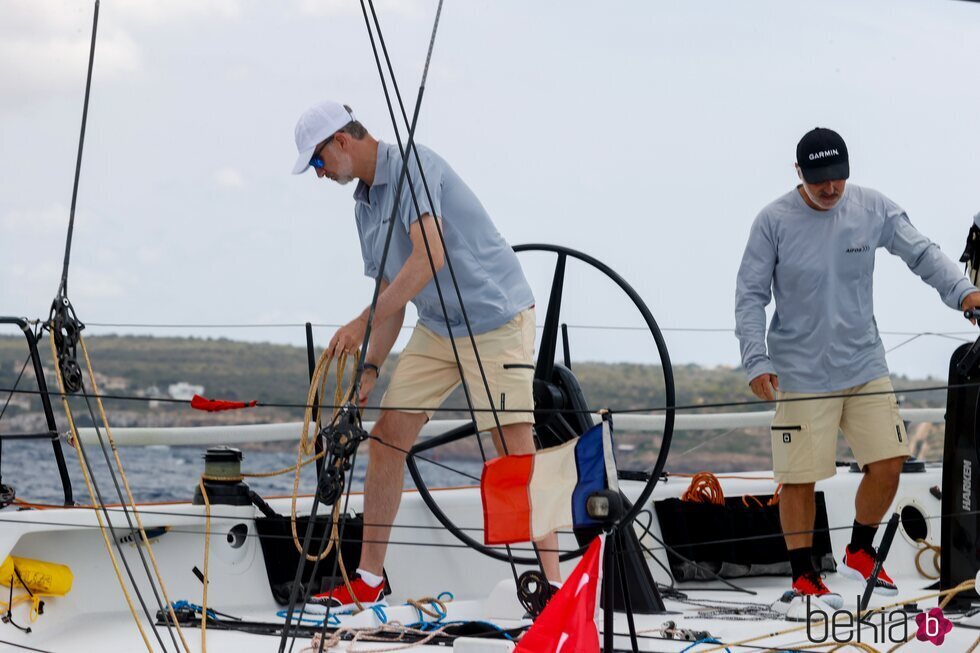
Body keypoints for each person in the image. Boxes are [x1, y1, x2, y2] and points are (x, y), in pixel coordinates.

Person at [291, 100, 559, 610]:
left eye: (319, 162)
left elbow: (430, 255)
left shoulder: (414, 164)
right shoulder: (363, 205)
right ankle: (369, 580)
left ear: (342, 142)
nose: (319, 175)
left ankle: (554, 585)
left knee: (514, 449)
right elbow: (391, 292)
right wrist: (370, 366)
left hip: (496, 320)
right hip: (438, 328)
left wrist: (358, 323)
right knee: (387, 438)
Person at [735, 127, 980, 613]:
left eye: (839, 178)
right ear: (799, 173)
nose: (831, 189)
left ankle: (858, 551)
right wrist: (755, 359)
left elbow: (923, 253)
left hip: (865, 364)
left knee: (889, 463)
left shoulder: (872, 208)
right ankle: (804, 577)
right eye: (820, 180)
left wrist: (964, 293)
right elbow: (750, 295)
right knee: (800, 479)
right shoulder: (773, 221)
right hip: (800, 374)